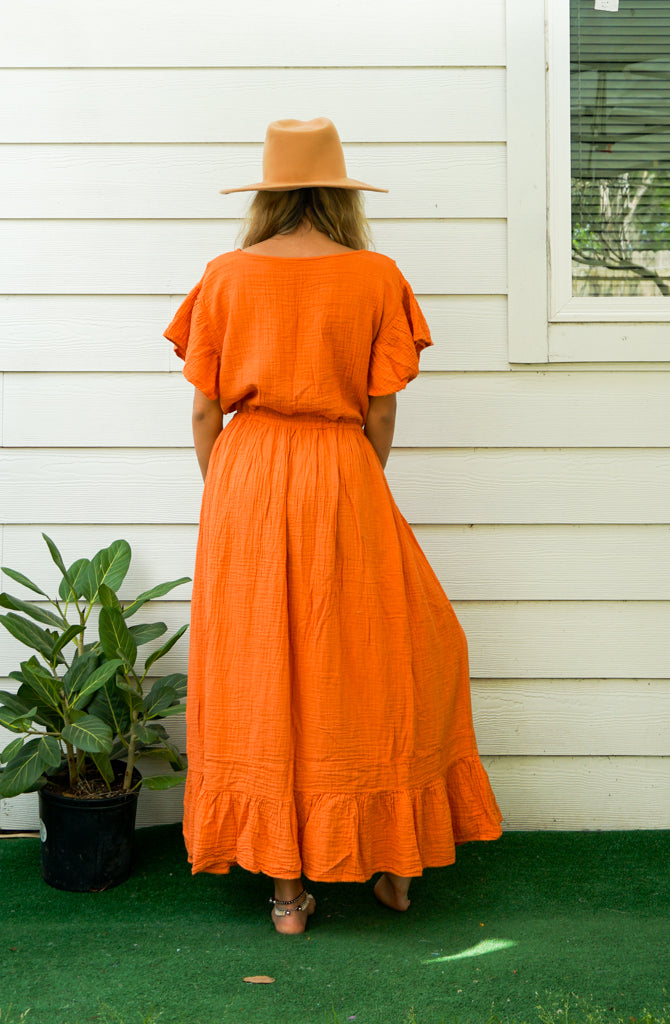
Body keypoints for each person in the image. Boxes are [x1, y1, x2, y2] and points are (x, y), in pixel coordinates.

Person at [164, 116, 503, 936]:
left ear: (268, 196)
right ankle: (392, 864)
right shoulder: (376, 275)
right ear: (343, 194)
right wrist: (356, 481)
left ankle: (286, 894)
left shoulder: (225, 276)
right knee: (381, 655)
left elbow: (207, 407)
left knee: (264, 669)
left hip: (246, 472)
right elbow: (381, 407)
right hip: (343, 468)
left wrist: (229, 494)